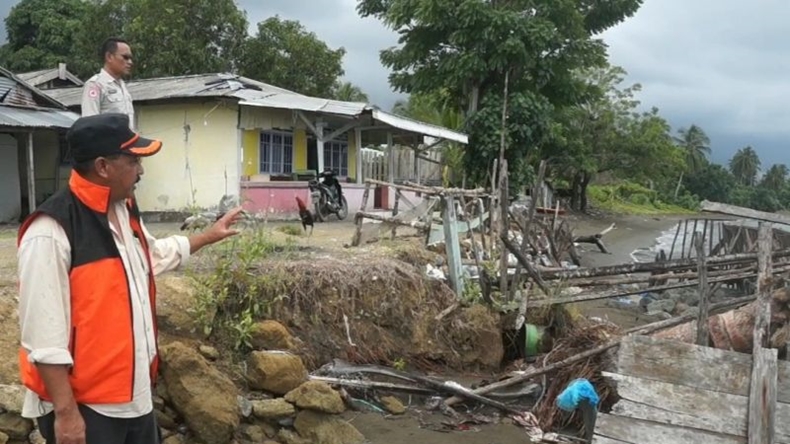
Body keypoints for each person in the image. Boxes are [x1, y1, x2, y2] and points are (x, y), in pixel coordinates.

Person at [16, 113, 243, 444]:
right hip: (87, 407)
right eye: (133, 160)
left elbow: (148, 258)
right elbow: (43, 335)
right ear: (103, 166)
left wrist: (207, 237)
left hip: (134, 396)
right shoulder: (50, 230)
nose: (141, 171)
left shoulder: (123, 208)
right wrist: (66, 414)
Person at [81, 37, 136, 130]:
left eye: (130, 58)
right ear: (109, 57)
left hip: (128, 143)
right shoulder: (95, 85)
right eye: (125, 57)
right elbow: (89, 124)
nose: (130, 62)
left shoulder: (122, 86)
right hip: (108, 143)